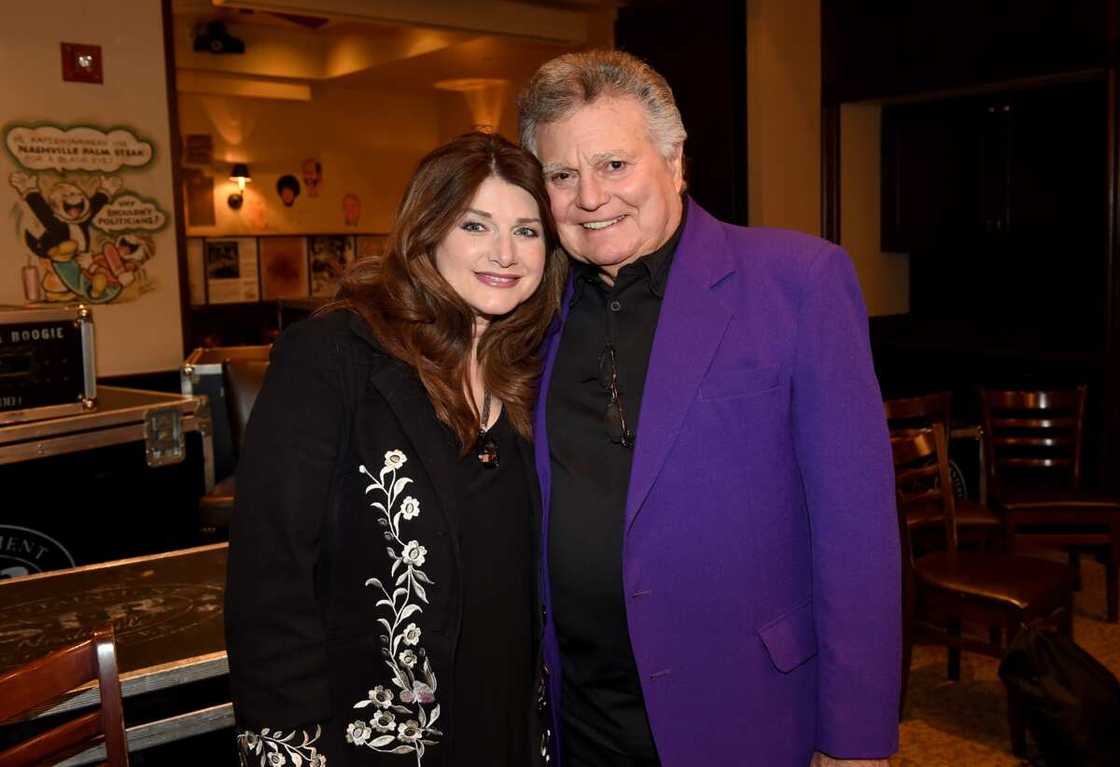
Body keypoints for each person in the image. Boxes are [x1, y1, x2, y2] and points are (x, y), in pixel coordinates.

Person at [518, 50, 900, 767]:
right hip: (583, 716)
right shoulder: (530, 315)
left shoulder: (799, 282)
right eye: (563, 175)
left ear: (675, 160)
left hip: (747, 708)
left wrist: (857, 739)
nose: (591, 197)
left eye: (614, 165)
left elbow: (859, 534)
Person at [226, 131, 567, 767]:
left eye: (527, 231)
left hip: (514, 725)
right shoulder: (332, 356)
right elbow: (269, 577)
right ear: (428, 231)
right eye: (476, 225)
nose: (505, 253)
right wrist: (290, 752)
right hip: (372, 740)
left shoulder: (537, 370)